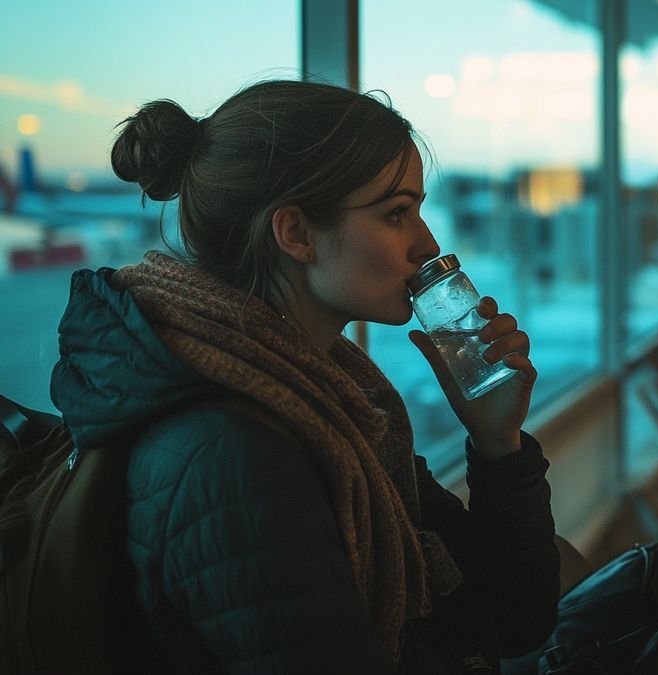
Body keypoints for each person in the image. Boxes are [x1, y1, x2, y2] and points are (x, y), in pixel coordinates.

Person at [48, 80, 559, 674]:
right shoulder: (235, 455)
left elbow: (513, 622)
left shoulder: (336, 398)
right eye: (396, 213)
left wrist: (498, 445)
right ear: (294, 233)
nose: (428, 244)